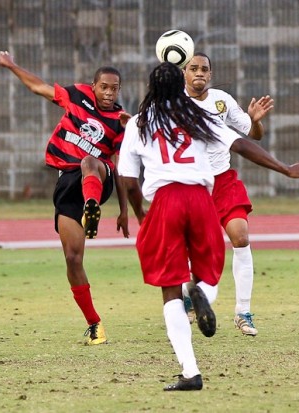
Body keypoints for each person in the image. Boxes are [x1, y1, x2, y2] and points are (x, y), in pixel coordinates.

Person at [0, 50, 130, 345]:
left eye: (114, 88)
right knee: (72, 259)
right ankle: (94, 324)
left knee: (89, 161)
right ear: (93, 86)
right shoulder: (77, 96)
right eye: (104, 87)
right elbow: (39, 87)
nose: (109, 93)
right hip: (68, 183)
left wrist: (124, 210)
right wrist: (12, 65)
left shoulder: (120, 121)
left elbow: (120, 168)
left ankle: (92, 206)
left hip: (100, 177)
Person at [118, 62, 227, 391]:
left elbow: (128, 179)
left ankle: (191, 372)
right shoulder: (199, 115)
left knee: (169, 290)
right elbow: (238, 144)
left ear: (150, 87)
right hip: (199, 197)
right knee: (210, 271)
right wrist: (285, 168)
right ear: (181, 86)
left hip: (165, 201)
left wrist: (139, 212)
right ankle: (203, 294)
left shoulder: (139, 122)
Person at [183, 52, 284, 335]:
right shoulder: (174, 103)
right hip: (191, 184)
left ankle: (243, 312)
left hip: (224, 182)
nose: (199, 73)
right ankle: (188, 298)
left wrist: (256, 120)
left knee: (241, 238)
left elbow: (254, 134)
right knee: (193, 249)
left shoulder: (222, 100)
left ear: (210, 74)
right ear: (184, 73)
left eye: (204, 69)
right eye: (193, 68)